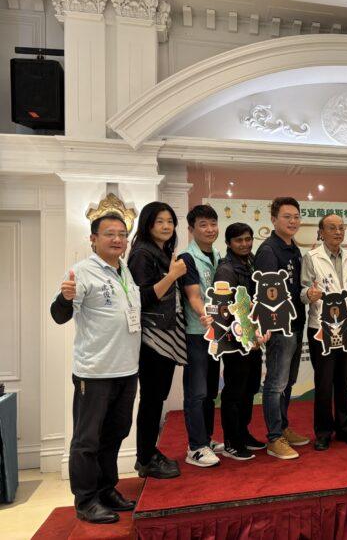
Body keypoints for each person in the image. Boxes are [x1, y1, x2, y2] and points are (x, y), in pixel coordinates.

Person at [50, 213, 141, 524]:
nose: (117, 239)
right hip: (95, 372)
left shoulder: (124, 270)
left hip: (127, 369)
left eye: (122, 234)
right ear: (93, 239)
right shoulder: (82, 272)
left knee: (116, 433)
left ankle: (106, 489)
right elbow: (59, 315)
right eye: (109, 234)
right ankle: (86, 500)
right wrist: (65, 299)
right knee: (87, 440)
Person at [128, 202, 187, 479]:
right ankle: (145, 458)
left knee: (156, 397)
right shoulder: (142, 253)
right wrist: (173, 275)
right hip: (153, 337)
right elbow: (141, 297)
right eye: (160, 221)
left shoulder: (161, 251)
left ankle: (149, 453)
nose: (166, 226)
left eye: (170, 221)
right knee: (152, 399)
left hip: (165, 334)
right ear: (148, 224)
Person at [302, 214, 347, 451]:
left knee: (344, 381)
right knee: (324, 383)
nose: (338, 232)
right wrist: (309, 294)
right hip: (321, 328)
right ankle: (323, 432)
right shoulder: (311, 257)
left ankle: (345, 428)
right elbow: (303, 290)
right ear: (321, 232)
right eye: (332, 228)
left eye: (341, 228)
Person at [254, 197, 309, 459]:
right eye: (287, 217)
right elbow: (266, 293)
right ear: (274, 219)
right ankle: (274, 438)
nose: (293, 221)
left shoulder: (293, 247)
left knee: (288, 382)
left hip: (296, 322)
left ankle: (283, 428)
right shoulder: (268, 250)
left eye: (296, 217)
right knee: (275, 383)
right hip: (279, 326)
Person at [214, 223, 270, 461]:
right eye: (239, 240)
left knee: (250, 387)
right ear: (229, 243)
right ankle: (232, 441)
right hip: (235, 339)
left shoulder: (252, 262)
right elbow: (224, 310)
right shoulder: (226, 270)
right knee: (234, 391)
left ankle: (243, 433)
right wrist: (247, 334)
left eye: (248, 239)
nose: (245, 244)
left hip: (254, 338)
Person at [179, 204, 223, 467]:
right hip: (196, 332)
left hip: (215, 333)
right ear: (191, 229)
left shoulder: (217, 254)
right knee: (196, 391)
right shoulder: (187, 257)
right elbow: (193, 296)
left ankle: (206, 439)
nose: (209, 229)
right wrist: (204, 314)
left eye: (213, 224)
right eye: (203, 225)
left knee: (210, 390)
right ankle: (195, 447)